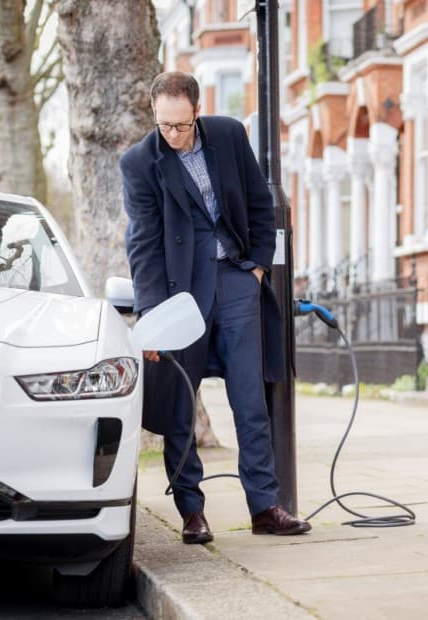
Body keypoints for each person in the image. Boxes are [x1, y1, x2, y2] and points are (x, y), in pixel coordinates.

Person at [120, 71, 310, 544]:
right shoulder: (140, 163)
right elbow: (143, 243)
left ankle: (265, 506)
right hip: (180, 295)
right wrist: (153, 318)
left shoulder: (227, 135)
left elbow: (257, 203)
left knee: (249, 399)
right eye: (164, 125)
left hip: (236, 282)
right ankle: (191, 512)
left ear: (197, 113)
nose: (173, 135)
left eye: (181, 125)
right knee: (181, 406)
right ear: (155, 115)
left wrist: (259, 268)